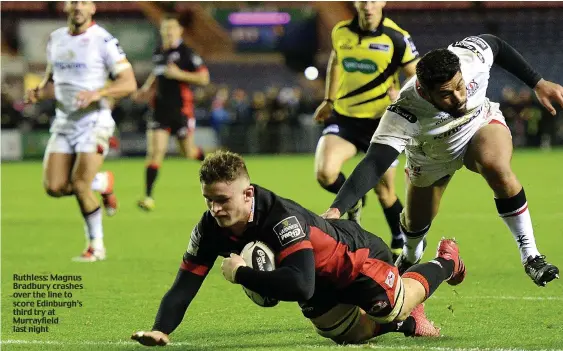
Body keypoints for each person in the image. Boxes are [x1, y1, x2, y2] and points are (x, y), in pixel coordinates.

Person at [131, 150, 466, 347]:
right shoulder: (208, 229)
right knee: (347, 335)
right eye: (209, 200)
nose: (215, 208)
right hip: (315, 278)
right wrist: (161, 330)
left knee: (389, 306)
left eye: (222, 200)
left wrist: (242, 274)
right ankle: (408, 324)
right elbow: (184, 285)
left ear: (247, 194)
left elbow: (300, 285)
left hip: (354, 259)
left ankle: (446, 261)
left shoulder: (280, 218)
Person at [321, 34, 562, 286]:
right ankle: (410, 254)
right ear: (424, 92)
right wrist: (338, 208)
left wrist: (538, 83)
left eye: (460, 86)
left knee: (495, 166)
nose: (459, 97)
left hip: (478, 127)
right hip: (430, 157)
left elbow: (497, 44)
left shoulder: (471, 59)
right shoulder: (404, 110)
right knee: (416, 224)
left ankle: (531, 255)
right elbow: (374, 162)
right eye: (447, 94)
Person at [24, 1, 137, 262]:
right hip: (64, 122)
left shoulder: (104, 40)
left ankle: (96, 247)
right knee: (54, 187)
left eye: (84, 2)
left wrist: (99, 93)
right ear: (66, 7)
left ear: (93, 8)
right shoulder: (56, 39)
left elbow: (129, 82)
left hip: (94, 121)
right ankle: (102, 182)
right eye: (74, 2)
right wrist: (38, 92)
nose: (78, 7)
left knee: (79, 184)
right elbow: (51, 80)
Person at [313, 1, 419, 259]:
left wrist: (402, 95)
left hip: (381, 123)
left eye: (374, 0)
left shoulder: (397, 37)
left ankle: (399, 238)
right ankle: (354, 199)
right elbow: (335, 62)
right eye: (363, 0)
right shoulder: (340, 31)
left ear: (383, 2)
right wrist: (328, 101)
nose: (368, 5)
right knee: (325, 174)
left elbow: (417, 75)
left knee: (385, 192)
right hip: (345, 118)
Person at [135, 14, 210, 211]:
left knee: (188, 152)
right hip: (159, 109)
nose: (168, 33)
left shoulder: (187, 53)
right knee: (155, 152)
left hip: (181, 110)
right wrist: (146, 88)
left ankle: (216, 163)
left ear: (179, 31)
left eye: (171, 29)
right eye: (165, 29)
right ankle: (148, 196)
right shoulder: (159, 51)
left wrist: (179, 74)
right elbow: (157, 72)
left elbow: (204, 78)